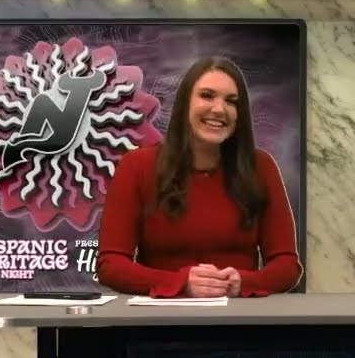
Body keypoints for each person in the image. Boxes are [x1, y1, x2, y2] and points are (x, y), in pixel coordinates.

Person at [97, 56, 302, 298]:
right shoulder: (137, 166)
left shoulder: (261, 167)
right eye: (207, 96)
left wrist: (243, 282)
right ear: (185, 104)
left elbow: (287, 266)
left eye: (231, 101)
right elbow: (110, 265)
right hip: (161, 317)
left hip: (239, 316)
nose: (219, 109)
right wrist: (179, 282)